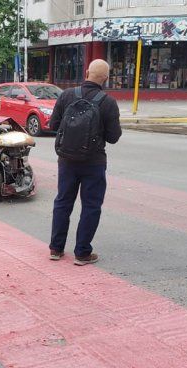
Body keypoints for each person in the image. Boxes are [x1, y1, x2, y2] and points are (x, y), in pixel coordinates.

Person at [47, 59, 122, 266]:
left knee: (62, 202)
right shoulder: (108, 102)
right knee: (91, 206)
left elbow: (53, 125)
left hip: (67, 160)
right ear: (105, 79)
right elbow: (114, 137)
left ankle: (56, 248)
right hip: (93, 162)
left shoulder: (67, 95)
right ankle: (82, 253)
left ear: (87, 72)